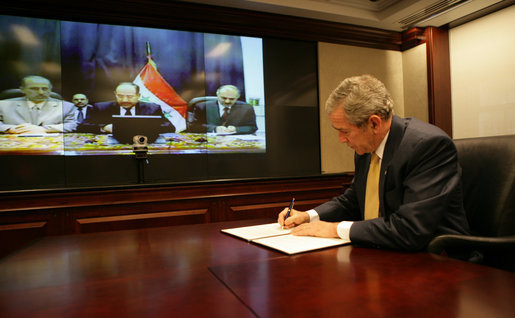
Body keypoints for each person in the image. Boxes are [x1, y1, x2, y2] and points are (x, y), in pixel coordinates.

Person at [278, 74, 470, 251]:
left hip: (439, 262)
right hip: (385, 254)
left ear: (374, 124)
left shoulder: (427, 146)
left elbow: (411, 229)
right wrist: (308, 216)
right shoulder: (366, 147)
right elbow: (353, 200)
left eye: (345, 131)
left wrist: (335, 229)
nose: (340, 139)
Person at [77, 82, 175, 134]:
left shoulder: (152, 108)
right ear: (115, 95)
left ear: (138, 96)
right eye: (120, 96)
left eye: (129, 96)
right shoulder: (100, 108)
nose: (124, 99)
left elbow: (170, 128)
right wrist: (103, 128)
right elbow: (82, 127)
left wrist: (146, 127)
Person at [0, 75, 76, 133]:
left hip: (51, 144)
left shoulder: (67, 106)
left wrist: (44, 129)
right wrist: (10, 129)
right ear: (22, 90)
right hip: (14, 143)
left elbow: (72, 125)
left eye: (45, 89)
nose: (41, 92)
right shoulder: (3, 105)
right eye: (34, 89)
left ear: (50, 90)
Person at [188, 85, 257, 134]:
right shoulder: (202, 106)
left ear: (237, 97)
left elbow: (252, 127)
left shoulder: (246, 108)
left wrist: (236, 129)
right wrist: (215, 128)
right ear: (217, 95)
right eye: (224, 98)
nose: (227, 101)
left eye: (232, 99)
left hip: (235, 142)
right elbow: (194, 126)